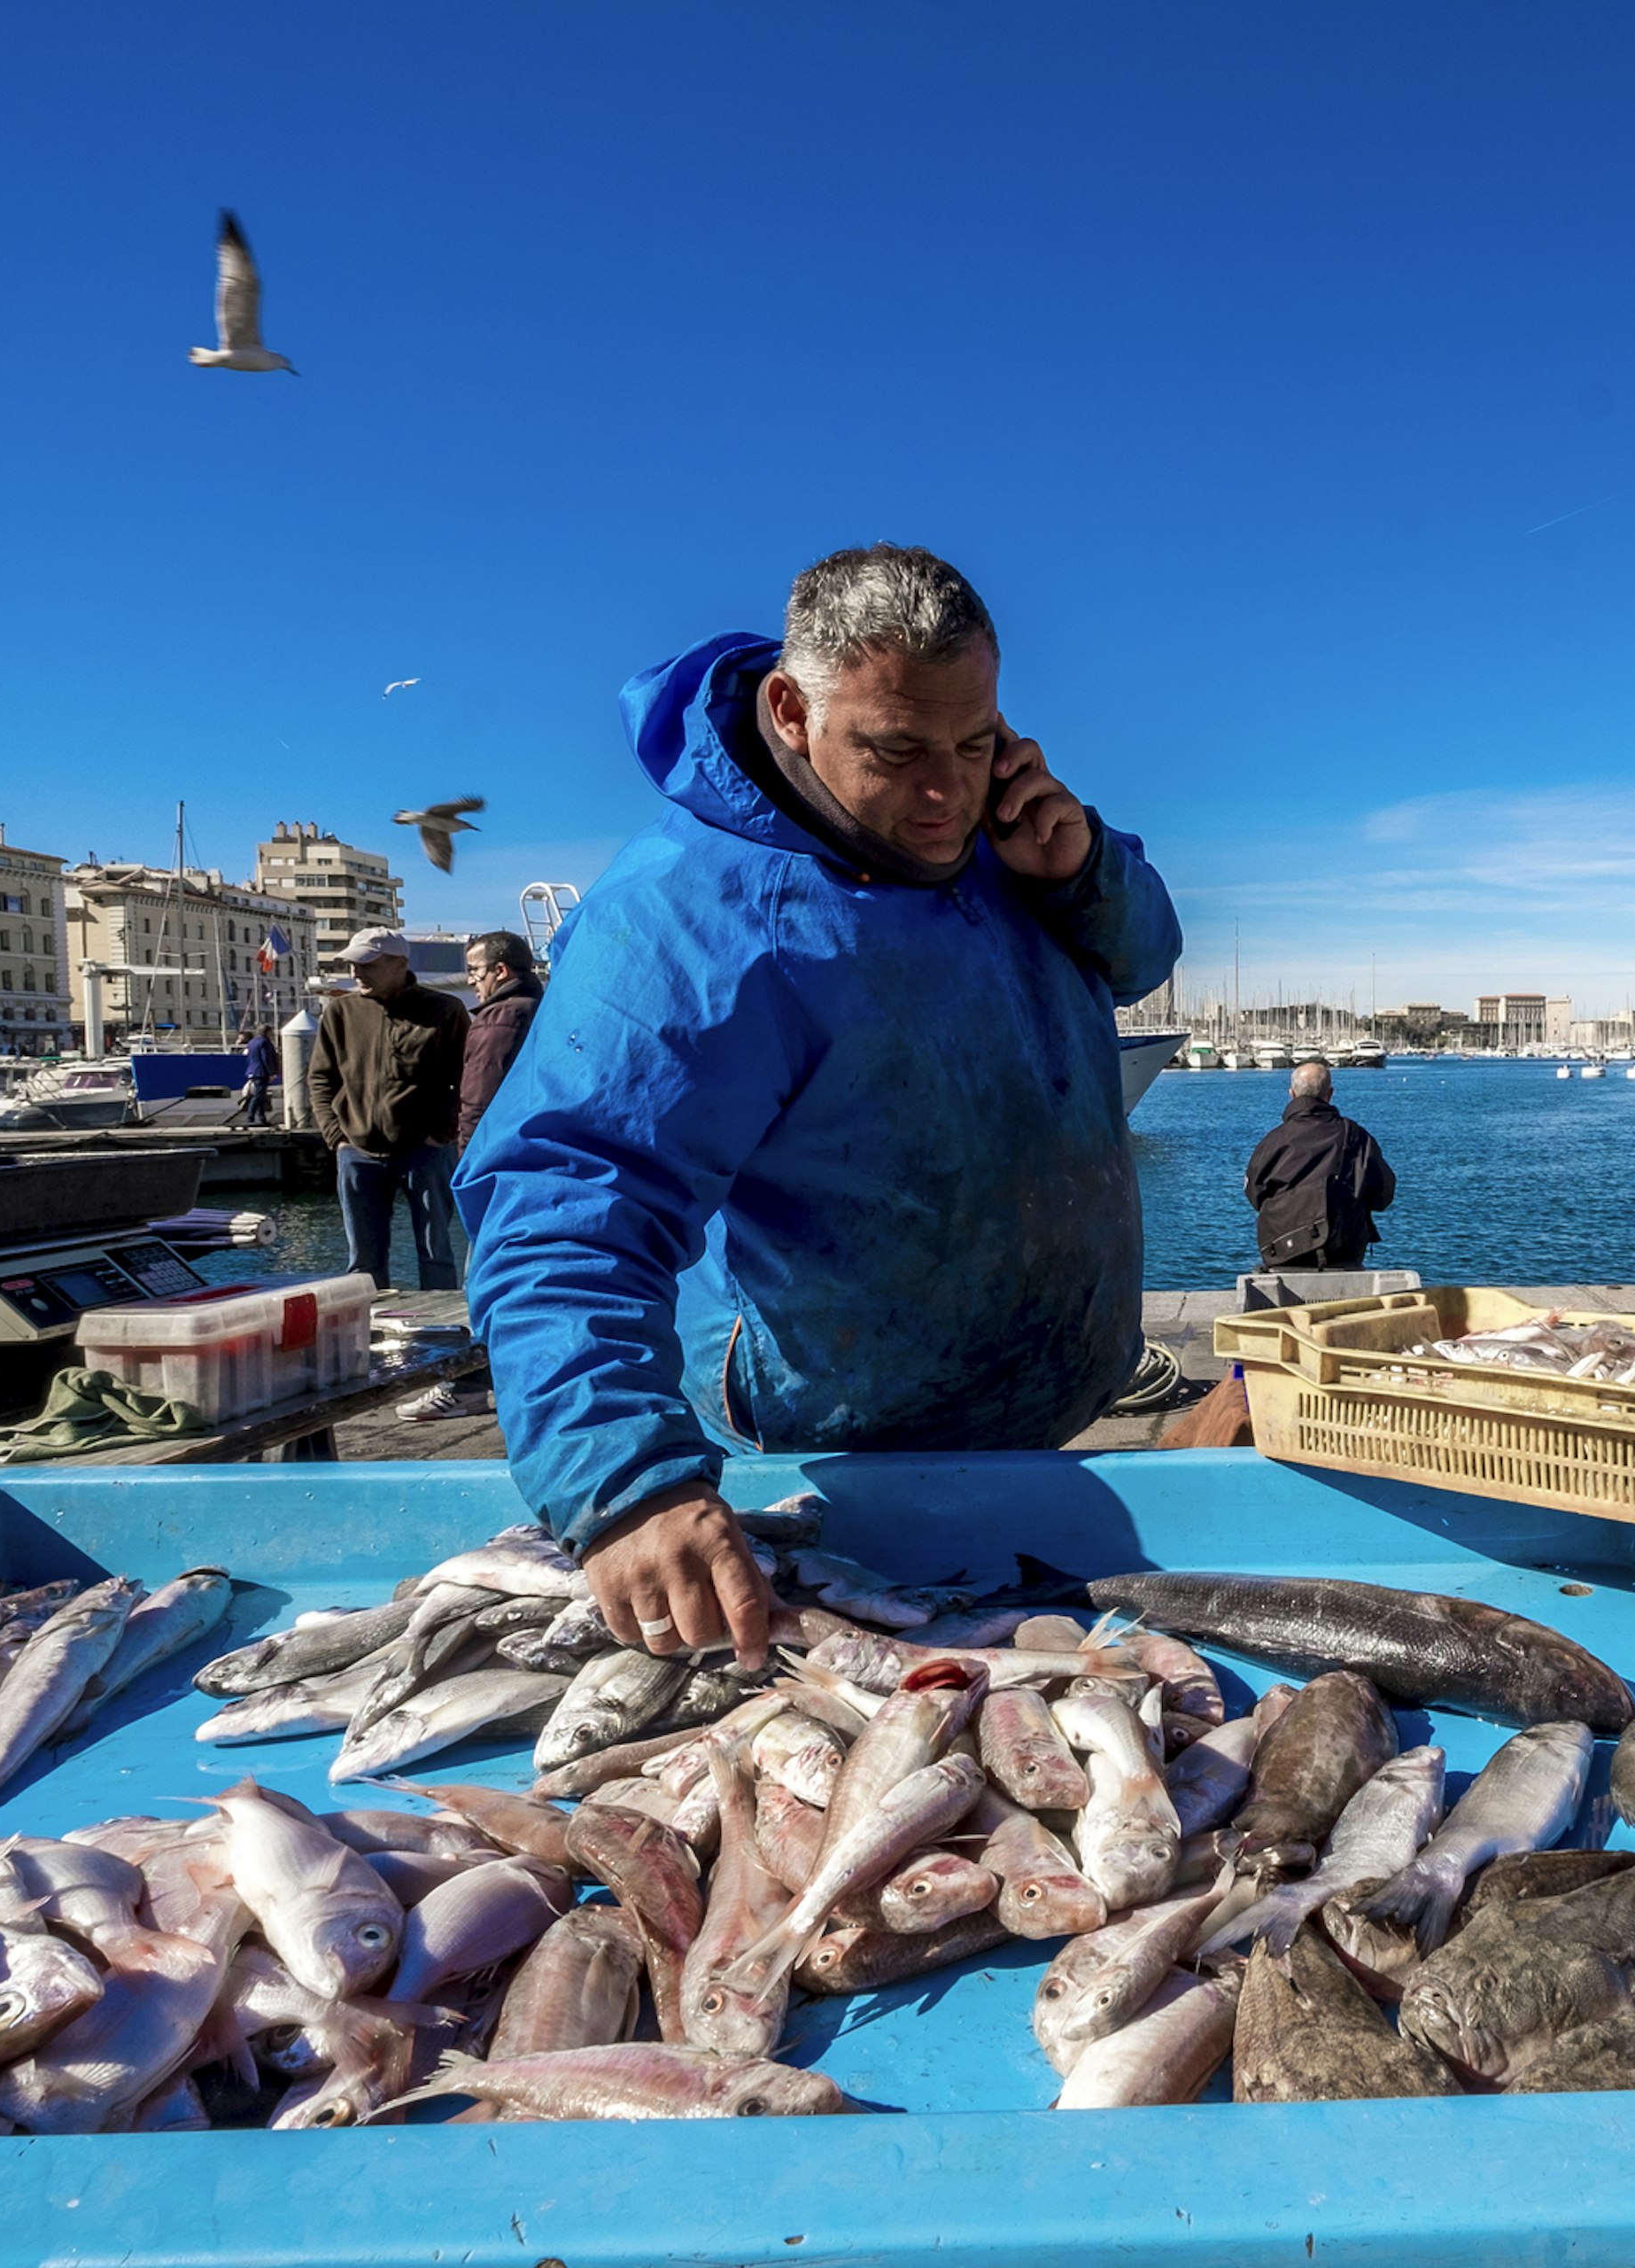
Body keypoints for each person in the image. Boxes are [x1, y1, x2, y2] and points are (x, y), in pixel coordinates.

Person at [456, 545, 1181, 1666]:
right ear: (793, 711)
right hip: (838, 1460)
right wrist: (625, 1480)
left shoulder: (1003, 820)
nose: (948, 792)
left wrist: (1084, 867)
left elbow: (1142, 956)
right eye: (898, 751)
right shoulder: (683, 917)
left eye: (977, 743)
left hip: (1054, 1412)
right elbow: (568, 1192)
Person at [307, 928, 469, 1292]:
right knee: (363, 1260)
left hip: (425, 1152)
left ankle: (443, 1330)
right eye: (352, 964)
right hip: (357, 1153)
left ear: (399, 964)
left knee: (436, 1251)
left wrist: (438, 1135)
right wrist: (337, 1138)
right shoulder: (340, 1013)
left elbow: (463, 1081)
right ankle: (366, 1330)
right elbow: (320, 1078)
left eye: (366, 963)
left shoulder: (445, 1010)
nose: (356, 973)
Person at [1244, 1059, 1396, 1270]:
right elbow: (1383, 1196)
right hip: (1343, 1252)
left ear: (1292, 1094)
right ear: (1330, 1093)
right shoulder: (1356, 1137)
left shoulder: (1272, 1142)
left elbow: (1254, 1194)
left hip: (1281, 1250)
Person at [457, 931, 543, 1153]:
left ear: (500, 971)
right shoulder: (542, 1006)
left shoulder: (500, 1018)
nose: (470, 980)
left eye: (474, 970)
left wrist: (468, 1153)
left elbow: (480, 1097)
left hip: (497, 1148)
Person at [232, 1025, 276, 1127]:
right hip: (262, 1072)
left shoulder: (252, 1042)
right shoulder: (265, 1042)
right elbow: (266, 1058)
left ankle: (262, 1118)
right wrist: (271, 1072)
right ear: (267, 1032)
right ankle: (250, 1117)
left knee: (260, 1095)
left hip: (253, 1070)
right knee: (258, 1096)